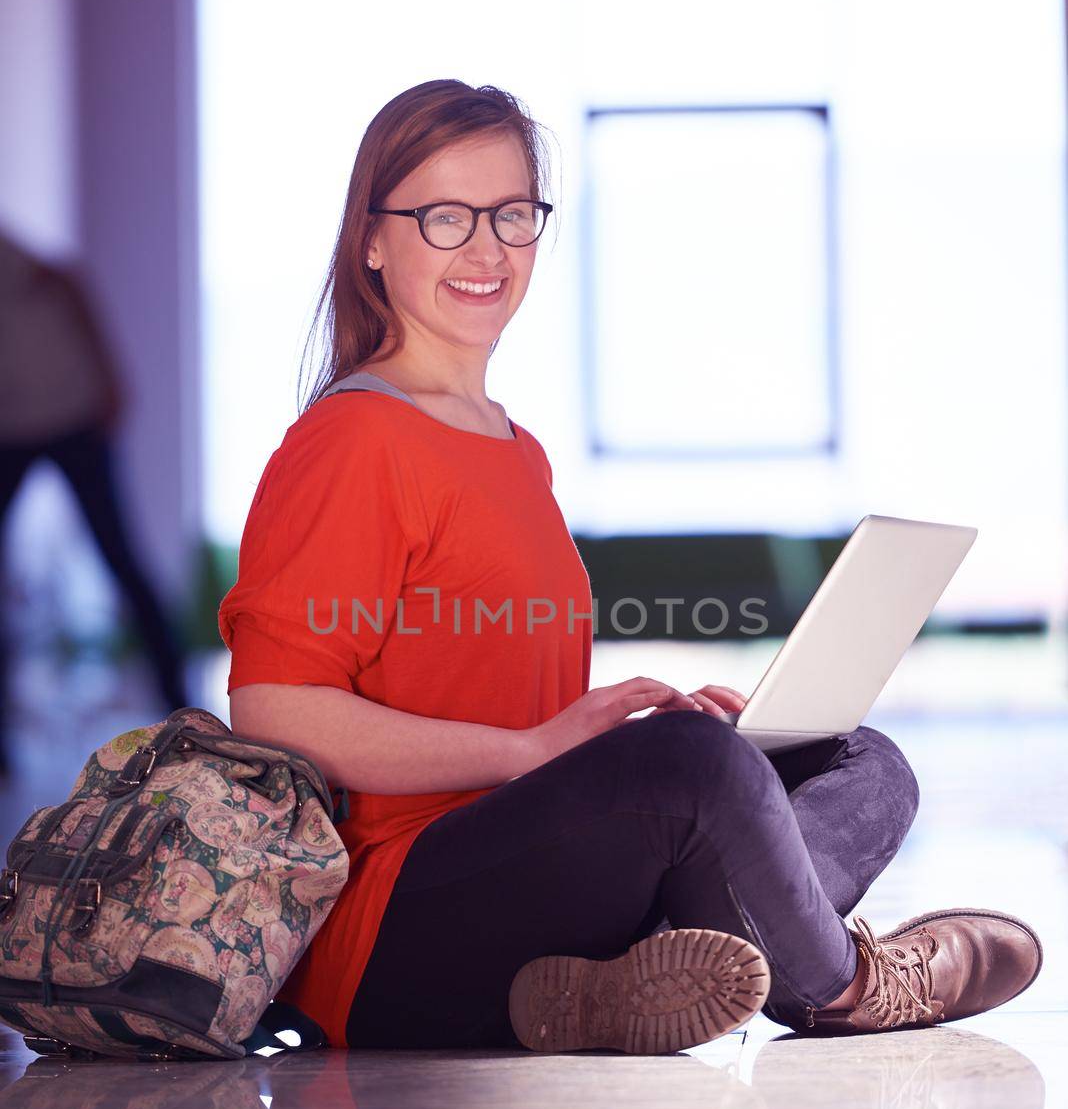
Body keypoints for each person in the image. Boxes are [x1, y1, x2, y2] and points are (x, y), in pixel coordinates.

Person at [218, 78, 1042, 1054]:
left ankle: (621, 984)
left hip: (534, 876)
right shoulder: (353, 440)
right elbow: (275, 708)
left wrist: (599, 736)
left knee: (860, 759)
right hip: (397, 931)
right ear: (371, 239)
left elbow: (499, 689)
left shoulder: (512, 447)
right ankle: (848, 982)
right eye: (445, 217)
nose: (487, 249)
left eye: (512, 213)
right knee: (691, 768)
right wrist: (533, 754)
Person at [0, 227, 190, 776]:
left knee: (121, 558)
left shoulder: (34, 268)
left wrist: (109, 380)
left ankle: (182, 704)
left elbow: (69, 288)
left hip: (73, 417)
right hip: (10, 427)